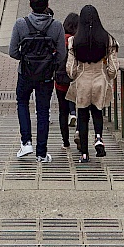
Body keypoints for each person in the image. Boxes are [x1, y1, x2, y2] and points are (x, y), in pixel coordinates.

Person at [8, 0, 67, 162]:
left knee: (22, 103)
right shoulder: (56, 26)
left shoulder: (21, 24)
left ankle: (26, 142)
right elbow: (62, 54)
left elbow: (12, 51)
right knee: (43, 111)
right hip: (46, 76)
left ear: (30, 5)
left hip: (25, 73)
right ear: (47, 4)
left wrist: (24, 59)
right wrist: (49, 64)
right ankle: (41, 153)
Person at [67, 4, 118, 162]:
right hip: (99, 80)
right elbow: (113, 68)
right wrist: (108, 75)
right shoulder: (108, 39)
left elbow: (71, 69)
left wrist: (75, 74)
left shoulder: (74, 41)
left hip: (83, 80)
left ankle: (84, 153)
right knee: (97, 111)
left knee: (82, 116)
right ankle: (98, 137)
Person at [55, 12, 79, 148]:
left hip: (60, 82)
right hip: (75, 81)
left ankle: (65, 142)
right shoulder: (76, 41)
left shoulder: (59, 40)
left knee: (62, 111)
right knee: (81, 108)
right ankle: (78, 132)